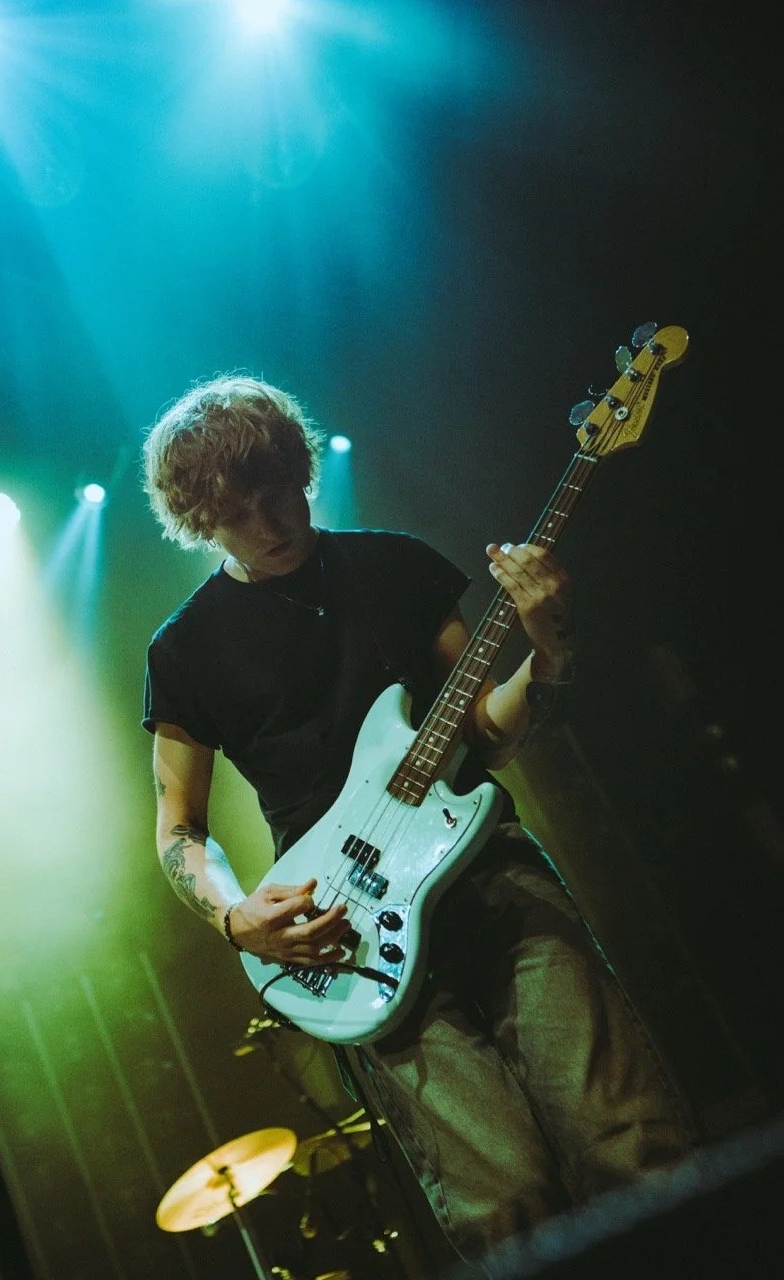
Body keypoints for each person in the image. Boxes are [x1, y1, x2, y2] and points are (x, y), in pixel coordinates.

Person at [141, 374, 693, 1274]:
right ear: (200, 521)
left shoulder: (394, 565)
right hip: (345, 929)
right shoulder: (182, 650)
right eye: (236, 514)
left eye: (276, 493)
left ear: (300, 471)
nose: (269, 524)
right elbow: (179, 828)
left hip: (489, 878)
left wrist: (547, 651)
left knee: (630, 1140)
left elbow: (484, 735)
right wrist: (235, 916)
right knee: (501, 1199)